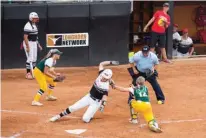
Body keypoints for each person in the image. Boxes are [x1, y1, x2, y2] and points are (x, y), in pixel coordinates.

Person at [49, 60, 119, 123]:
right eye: (103, 76)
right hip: (88, 97)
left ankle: (90, 115)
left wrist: (103, 105)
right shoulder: (101, 74)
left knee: (85, 119)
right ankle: (58, 116)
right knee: (73, 107)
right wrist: (111, 62)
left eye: (105, 78)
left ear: (108, 78)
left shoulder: (105, 86)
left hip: (96, 102)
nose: (103, 78)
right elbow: (101, 64)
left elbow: (105, 96)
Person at [23, 12, 42, 80]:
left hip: (34, 43)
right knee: (30, 58)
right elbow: (25, 37)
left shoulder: (35, 25)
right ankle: (28, 73)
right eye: (35, 18)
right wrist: (27, 46)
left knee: (34, 58)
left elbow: (35, 36)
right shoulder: (27, 26)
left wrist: (38, 44)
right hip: (28, 42)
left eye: (36, 18)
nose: (36, 19)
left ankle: (34, 72)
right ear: (31, 18)